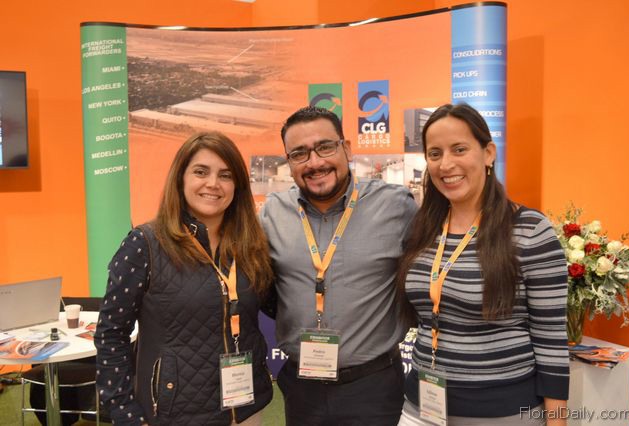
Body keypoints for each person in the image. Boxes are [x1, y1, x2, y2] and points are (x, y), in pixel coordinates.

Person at [396, 103, 569, 425]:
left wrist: (557, 420)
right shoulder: (423, 228)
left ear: (488, 153)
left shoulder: (530, 230)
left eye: (459, 149)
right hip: (422, 405)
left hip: (501, 412)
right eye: (435, 154)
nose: (446, 164)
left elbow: (551, 340)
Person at [95, 132, 274, 425]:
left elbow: (274, 304)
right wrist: (123, 410)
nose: (213, 183)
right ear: (180, 179)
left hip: (246, 407)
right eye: (201, 172)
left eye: (225, 175)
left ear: (238, 186)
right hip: (174, 413)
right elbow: (111, 334)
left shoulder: (250, 244)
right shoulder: (144, 244)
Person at [260, 106, 418, 425]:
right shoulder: (272, 213)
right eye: (299, 153)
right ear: (289, 161)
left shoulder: (396, 206)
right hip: (302, 389)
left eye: (325, 147)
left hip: (373, 386)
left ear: (346, 148)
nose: (315, 162)